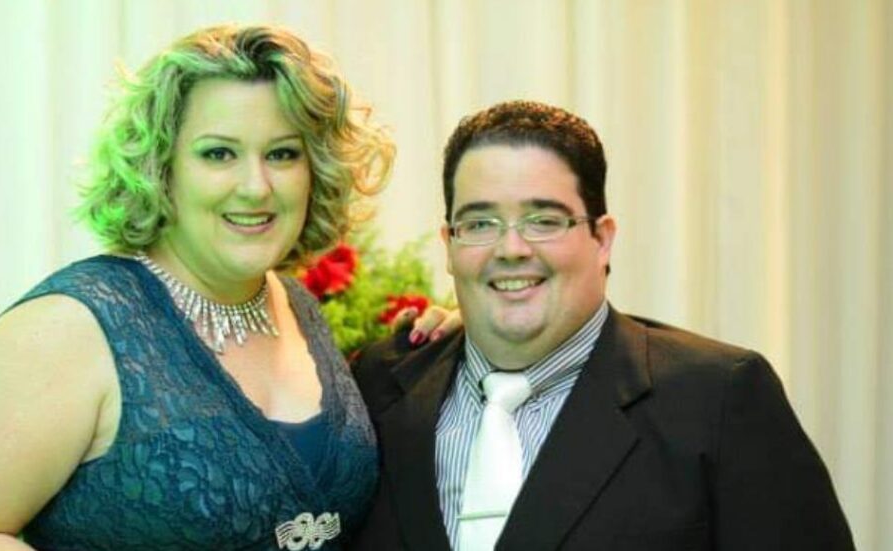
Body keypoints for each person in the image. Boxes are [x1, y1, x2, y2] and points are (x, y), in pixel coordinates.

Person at [0, 24, 454, 551]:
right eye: (218, 153)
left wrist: (451, 346)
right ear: (161, 168)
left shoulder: (297, 305)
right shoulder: (71, 328)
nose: (256, 186)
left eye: (282, 154)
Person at [350, 101, 855, 550]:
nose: (511, 249)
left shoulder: (718, 399)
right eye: (480, 223)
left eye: (544, 220)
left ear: (603, 238)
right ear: (449, 244)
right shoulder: (378, 388)